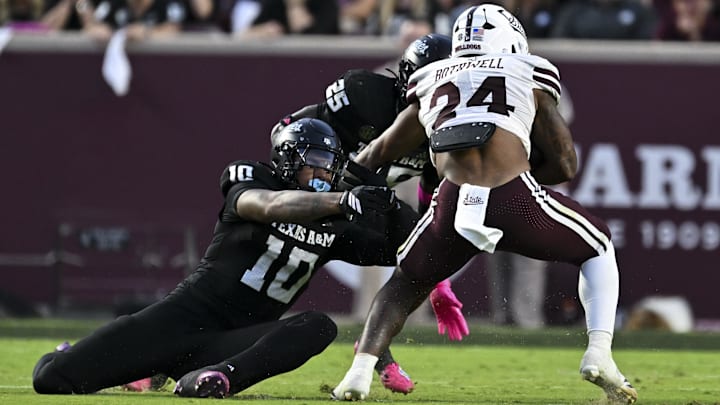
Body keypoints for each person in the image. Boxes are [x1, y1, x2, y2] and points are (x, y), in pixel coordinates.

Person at [332, 4, 638, 404]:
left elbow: (379, 151)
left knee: (403, 284)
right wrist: (522, 169)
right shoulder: (528, 70)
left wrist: (346, 187)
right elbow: (565, 164)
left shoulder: (429, 78)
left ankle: (357, 374)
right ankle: (599, 352)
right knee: (597, 244)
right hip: (515, 195)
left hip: (452, 202)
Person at [32, 118, 413, 398]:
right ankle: (89, 356)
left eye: (329, 164)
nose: (323, 172)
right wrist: (341, 200)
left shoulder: (336, 223)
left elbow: (406, 245)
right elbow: (268, 206)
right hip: (182, 319)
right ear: (286, 160)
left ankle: (218, 379)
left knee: (318, 327)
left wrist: (387, 200)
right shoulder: (255, 181)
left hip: (231, 344)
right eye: (314, 160)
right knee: (53, 379)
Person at [272, 33, 467, 395]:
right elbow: (288, 128)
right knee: (264, 289)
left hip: (363, 208)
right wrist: (305, 191)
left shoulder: (445, 126)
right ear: (410, 80)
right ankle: (169, 358)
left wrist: (438, 281)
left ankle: (375, 349)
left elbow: (430, 201)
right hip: (315, 203)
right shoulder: (365, 96)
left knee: (425, 257)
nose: (440, 94)